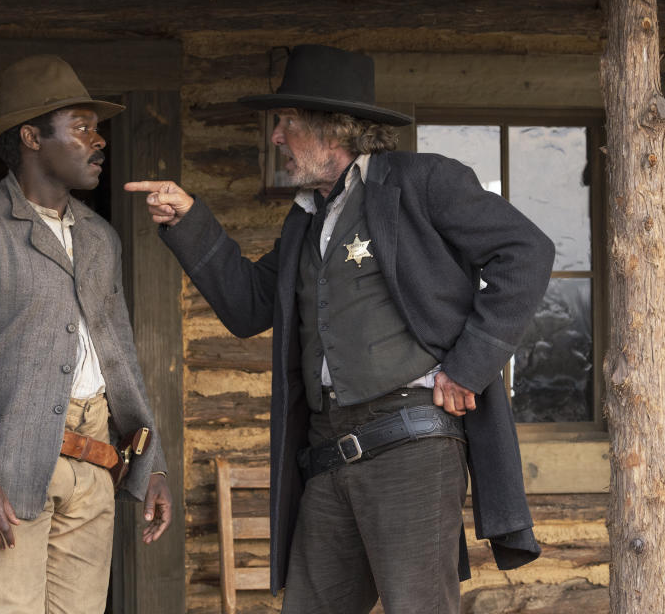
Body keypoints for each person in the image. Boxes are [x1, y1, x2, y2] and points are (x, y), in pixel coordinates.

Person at [126, 44, 552, 613]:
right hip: (329, 457)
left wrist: (470, 364)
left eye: (287, 122)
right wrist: (190, 223)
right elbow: (251, 305)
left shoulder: (423, 181)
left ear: (333, 129)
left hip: (412, 444)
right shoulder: (306, 221)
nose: (277, 136)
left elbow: (527, 252)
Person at [0, 54, 172, 614]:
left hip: (96, 461)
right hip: (9, 473)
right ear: (32, 137)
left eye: (96, 129)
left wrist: (151, 461)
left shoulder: (101, 238)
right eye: (81, 128)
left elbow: (119, 357)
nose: (98, 141)